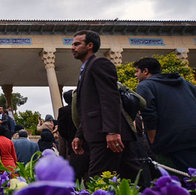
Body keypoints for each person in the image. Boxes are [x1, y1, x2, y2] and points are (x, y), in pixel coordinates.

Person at [71, 30, 141, 180]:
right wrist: (80, 135)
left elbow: (110, 98)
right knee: (132, 178)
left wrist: (112, 131)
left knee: (98, 179)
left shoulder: (99, 64)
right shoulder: (86, 70)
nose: (73, 47)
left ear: (90, 45)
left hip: (106, 136)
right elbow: (88, 109)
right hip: (103, 134)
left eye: (77, 44)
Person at [134, 57, 196, 173]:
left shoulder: (145, 85)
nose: (135, 75)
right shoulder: (183, 82)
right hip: (192, 136)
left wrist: (152, 140)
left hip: (173, 142)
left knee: (183, 180)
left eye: (137, 71)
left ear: (145, 71)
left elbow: (148, 113)